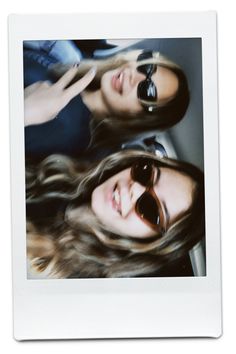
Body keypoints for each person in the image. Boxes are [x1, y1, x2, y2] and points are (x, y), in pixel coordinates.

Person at [26, 149, 205, 279]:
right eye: (146, 173)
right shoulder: (61, 165)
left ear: (152, 244)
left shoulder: (69, 283)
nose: (135, 187)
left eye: (151, 209)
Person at [24, 40, 190, 159]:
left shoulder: (65, 129)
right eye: (146, 67)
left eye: (148, 91)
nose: (134, 75)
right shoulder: (73, 65)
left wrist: (22, 112)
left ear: (142, 119)